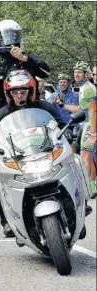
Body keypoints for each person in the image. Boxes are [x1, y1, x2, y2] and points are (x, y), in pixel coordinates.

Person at [0, 70, 69, 234]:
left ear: (31, 91)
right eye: (15, 92)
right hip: (17, 160)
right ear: (8, 94)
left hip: (46, 154)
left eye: (23, 91)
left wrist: (65, 134)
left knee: (75, 160)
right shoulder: (1, 115)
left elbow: (60, 125)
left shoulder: (45, 107)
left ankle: (80, 200)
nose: (19, 95)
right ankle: (6, 220)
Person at [0, 20, 50, 115]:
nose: (9, 40)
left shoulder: (26, 56)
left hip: (30, 113)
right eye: (5, 36)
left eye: (12, 35)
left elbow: (46, 72)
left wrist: (25, 59)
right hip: (3, 117)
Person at [65, 62, 97, 196]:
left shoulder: (88, 88)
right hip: (86, 124)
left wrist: (94, 133)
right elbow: (80, 109)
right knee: (88, 158)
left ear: (85, 74)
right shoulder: (83, 87)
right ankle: (93, 187)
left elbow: (94, 110)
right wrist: (63, 105)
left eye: (79, 72)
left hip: (90, 124)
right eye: (75, 72)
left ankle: (88, 188)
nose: (76, 74)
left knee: (85, 157)